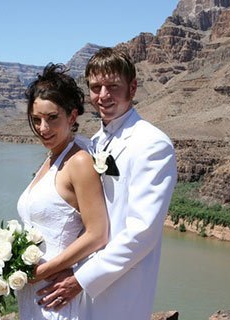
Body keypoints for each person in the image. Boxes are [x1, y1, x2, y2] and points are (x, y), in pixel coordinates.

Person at [36, 48, 178, 319]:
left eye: (113, 86)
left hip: (121, 289)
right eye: (95, 87)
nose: (103, 96)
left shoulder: (151, 144)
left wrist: (81, 279)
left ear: (132, 87)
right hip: (79, 283)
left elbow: (142, 232)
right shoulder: (95, 142)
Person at [16, 63, 109, 319]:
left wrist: (41, 272)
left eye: (52, 118)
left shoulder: (78, 162)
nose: (42, 128)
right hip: (35, 296)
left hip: (56, 297)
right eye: (36, 120)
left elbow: (97, 234)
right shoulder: (51, 159)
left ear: (72, 116)